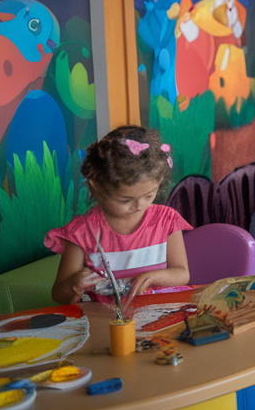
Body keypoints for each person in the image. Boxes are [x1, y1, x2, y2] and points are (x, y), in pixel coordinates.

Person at [46, 125, 191, 306]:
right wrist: (74, 284)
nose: (139, 206)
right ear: (98, 189)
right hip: (104, 320)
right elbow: (58, 295)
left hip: (160, 314)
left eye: (149, 195)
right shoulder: (82, 232)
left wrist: (154, 277)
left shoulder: (166, 220)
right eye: (125, 200)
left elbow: (182, 274)